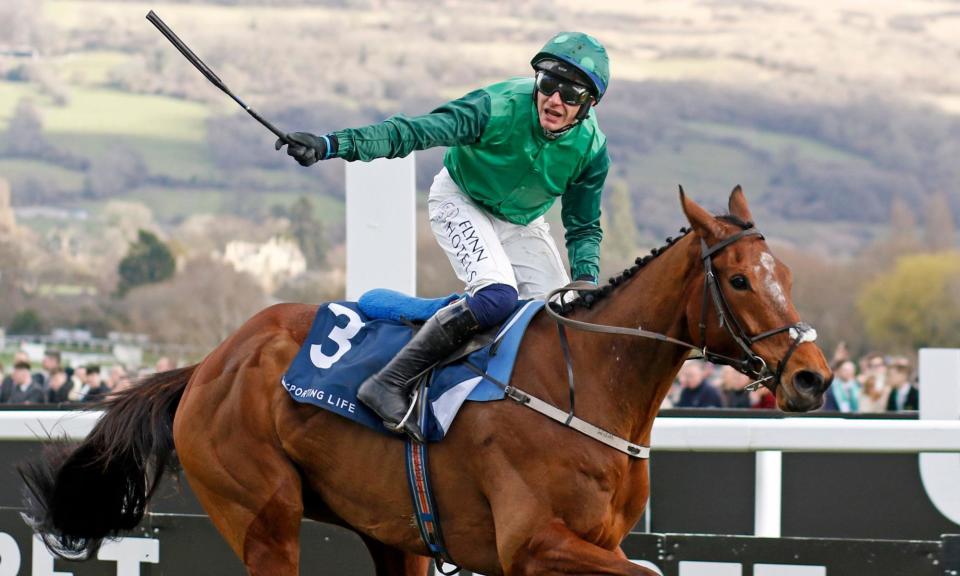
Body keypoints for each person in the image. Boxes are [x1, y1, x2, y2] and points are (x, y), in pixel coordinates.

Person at [277, 32, 611, 437]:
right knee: (497, 295)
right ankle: (389, 382)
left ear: (588, 105)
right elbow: (412, 132)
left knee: (567, 314)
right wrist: (332, 144)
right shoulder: (496, 108)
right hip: (462, 200)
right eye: (548, 85)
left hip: (521, 223)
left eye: (570, 94)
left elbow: (583, 226)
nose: (555, 100)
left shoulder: (591, 149)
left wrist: (587, 281)